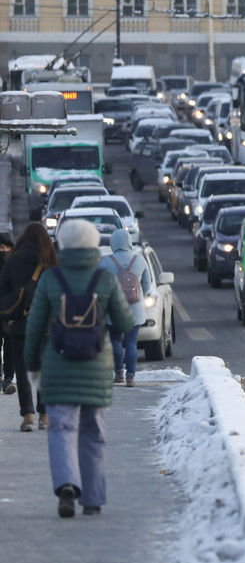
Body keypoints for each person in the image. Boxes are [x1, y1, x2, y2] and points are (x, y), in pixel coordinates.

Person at [25, 219, 132, 518]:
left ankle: (67, 485)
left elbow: (34, 328)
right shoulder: (105, 279)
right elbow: (124, 323)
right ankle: (94, 499)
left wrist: (33, 365)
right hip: (96, 367)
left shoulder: (50, 279)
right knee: (93, 432)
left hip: (58, 367)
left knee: (61, 427)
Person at [0, 223, 57, 431]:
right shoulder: (50, 261)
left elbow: (2, 290)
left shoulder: (12, 260)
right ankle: (44, 414)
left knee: (22, 371)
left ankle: (28, 415)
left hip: (18, 323)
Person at [99, 228, 153, 388]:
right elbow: (147, 285)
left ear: (113, 243)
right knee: (131, 342)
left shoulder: (105, 261)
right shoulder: (140, 260)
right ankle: (131, 376)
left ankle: (118, 373)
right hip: (135, 310)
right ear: (129, 242)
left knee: (115, 340)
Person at [0, 231, 14, 395]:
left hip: (10, 312)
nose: (3, 251)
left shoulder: (15, 265)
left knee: (10, 346)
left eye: (6, 247)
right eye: (0, 247)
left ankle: (8, 379)